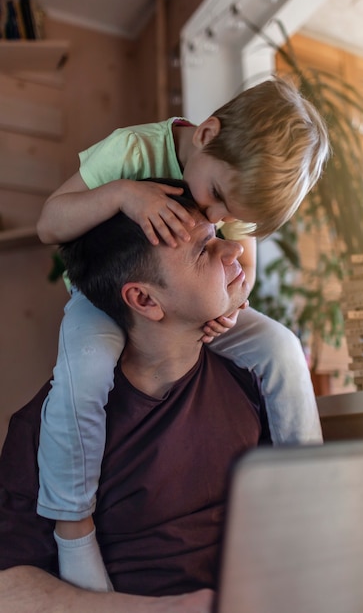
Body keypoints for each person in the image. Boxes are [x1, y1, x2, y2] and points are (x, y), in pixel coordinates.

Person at [36, 77, 329, 590]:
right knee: (81, 374)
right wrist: (122, 195)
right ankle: (72, 529)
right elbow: (50, 224)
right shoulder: (130, 150)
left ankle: (306, 494)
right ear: (207, 133)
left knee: (282, 346)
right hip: (103, 299)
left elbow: (244, 268)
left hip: (192, 298)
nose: (216, 219)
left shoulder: (232, 190)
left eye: (229, 218)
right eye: (215, 199)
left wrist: (233, 306)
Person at [0, 189, 271, 612]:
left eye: (217, 232)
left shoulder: (251, 386)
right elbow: (8, 588)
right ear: (145, 299)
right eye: (203, 250)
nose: (234, 246)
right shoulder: (50, 428)